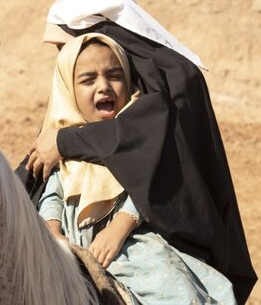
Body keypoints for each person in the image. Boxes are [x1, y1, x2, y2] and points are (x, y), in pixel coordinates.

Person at [18, 0, 257, 304]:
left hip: (140, 244)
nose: (62, 56)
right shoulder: (71, 117)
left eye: (64, 45)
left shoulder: (167, 84)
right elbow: (52, 185)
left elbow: (146, 154)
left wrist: (64, 143)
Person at [38, 32, 235, 304]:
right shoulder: (60, 140)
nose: (104, 87)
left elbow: (146, 182)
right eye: (88, 80)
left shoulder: (136, 135)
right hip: (78, 249)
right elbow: (53, 192)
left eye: (114, 75)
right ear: (68, 89)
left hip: (131, 248)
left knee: (177, 292)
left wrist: (118, 229)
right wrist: (52, 230)